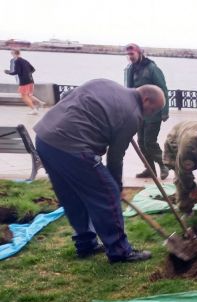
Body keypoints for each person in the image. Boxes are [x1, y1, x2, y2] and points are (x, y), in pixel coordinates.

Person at [33, 79, 166, 263]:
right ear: (146, 100)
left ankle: (86, 243)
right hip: (73, 146)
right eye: (153, 110)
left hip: (45, 138)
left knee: (72, 195)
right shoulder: (133, 115)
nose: (149, 115)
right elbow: (115, 157)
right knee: (107, 194)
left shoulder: (104, 84)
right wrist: (115, 186)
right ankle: (120, 251)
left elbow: (66, 97)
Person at [124, 43, 170, 180]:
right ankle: (149, 169)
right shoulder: (130, 69)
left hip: (154, 111)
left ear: (139, 53)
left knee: (150, 142)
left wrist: (165, 111)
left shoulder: (152, 68)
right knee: (141, 143)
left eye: (132, 54)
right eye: (128, 55)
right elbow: (129, 91)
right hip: (139, 112)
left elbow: (163, 89)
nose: (130, 57)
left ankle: (164, 165)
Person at [4, 49, 45, 115]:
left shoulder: (17, 61)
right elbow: (33, 69)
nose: (12, 55)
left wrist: (8, 72)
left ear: (14, 54)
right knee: (29, 95)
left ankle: (34, 110)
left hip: (24, 82)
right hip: (31, 80)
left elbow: (17, 72)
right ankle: (40, 103)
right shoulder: (25, 61)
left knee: (24, 96)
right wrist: (27, 74)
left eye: (12, 54)